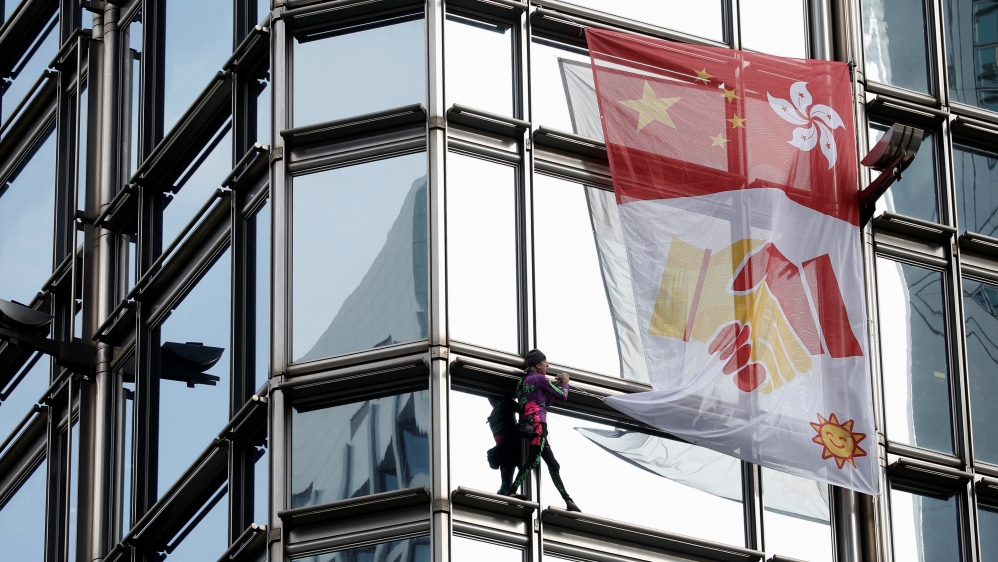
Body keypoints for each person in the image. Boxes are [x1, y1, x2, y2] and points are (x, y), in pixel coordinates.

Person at [507, 349, 581, 512]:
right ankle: (511, 491)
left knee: (553, 464)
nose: (547, 365)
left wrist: (552, 386)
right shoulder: (540, 378)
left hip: (528, 425)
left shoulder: (523, 382)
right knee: (533, 459)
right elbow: (563, 396)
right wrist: (566, 382)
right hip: (539, 424)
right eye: (545, 363)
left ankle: (569, 501)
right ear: (539, 365)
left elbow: (546, 401)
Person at [485, 395, 520, 496]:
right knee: (526, 468)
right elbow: (523, 409)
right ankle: (510, 493)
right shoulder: (505, 402)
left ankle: (504, 497)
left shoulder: (491, 416)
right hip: (513, 446)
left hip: (502, 452)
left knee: (505, 484)